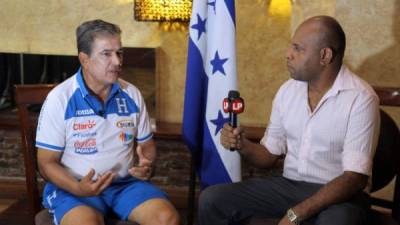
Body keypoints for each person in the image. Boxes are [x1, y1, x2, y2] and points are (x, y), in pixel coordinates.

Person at [198, 15, 380, 225]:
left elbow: (354, 178)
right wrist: (242, 145)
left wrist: (295, 214)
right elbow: (268, 156)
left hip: (342, 195)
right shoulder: (287, 91)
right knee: (212, 199)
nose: (288, 54)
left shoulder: (361, 98)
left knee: (335, 221)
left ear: (325, 55)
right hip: (289, 186)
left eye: (298, 48)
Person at [35, 19, 180, 225]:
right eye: (107, 54)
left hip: (125, 185)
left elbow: (147, 147)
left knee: (168, 219)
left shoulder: (132, 94)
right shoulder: (60, 98)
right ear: (84, 59)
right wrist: (78, 188)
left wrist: (147, 165)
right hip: (74, 188)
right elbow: (46, 163)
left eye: (119, 53)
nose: (117, 61)